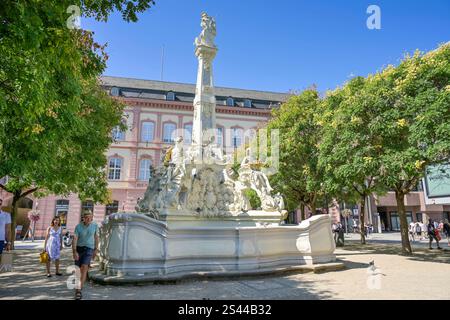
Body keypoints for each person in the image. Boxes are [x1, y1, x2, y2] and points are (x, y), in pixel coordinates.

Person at [72, 210, 99, 300]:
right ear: (83, 218)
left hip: (89, 249)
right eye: (86, 217)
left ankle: (78, 290)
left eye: (90, 217)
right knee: (78, 270)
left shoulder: (95, 225)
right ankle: (79, 282)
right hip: (79, 249)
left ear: (92, 218)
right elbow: (75, 239)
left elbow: (96, 237)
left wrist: (96, 249)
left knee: (84, 267)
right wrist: (74, 251)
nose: (88, 219)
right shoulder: (78, 227)